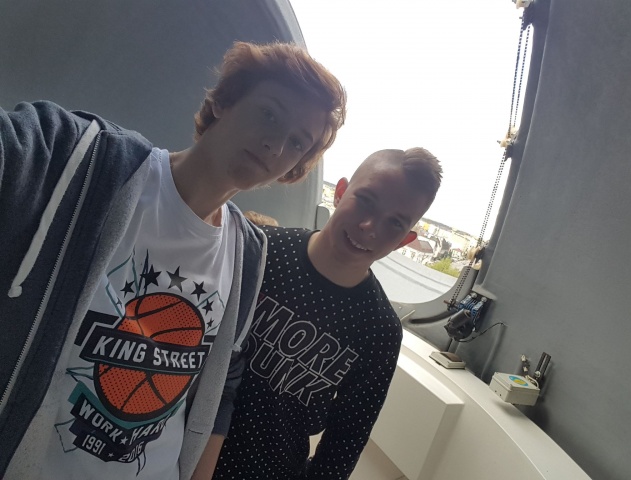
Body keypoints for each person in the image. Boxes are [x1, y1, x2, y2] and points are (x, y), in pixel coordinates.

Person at [0, 41, 346, 480]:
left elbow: (223, 382)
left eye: (298, 142)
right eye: (269, 114)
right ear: (223, 101)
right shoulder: (85, 159)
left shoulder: (248, 253)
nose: (275, 145)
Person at [214, 148, 442, 479]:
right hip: (184, 445)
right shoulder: (259, 249)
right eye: (366, 201)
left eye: (394, 223)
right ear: (340, 192)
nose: (369, 227)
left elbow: (344, 442)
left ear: (404, 241)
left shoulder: (380, 329)